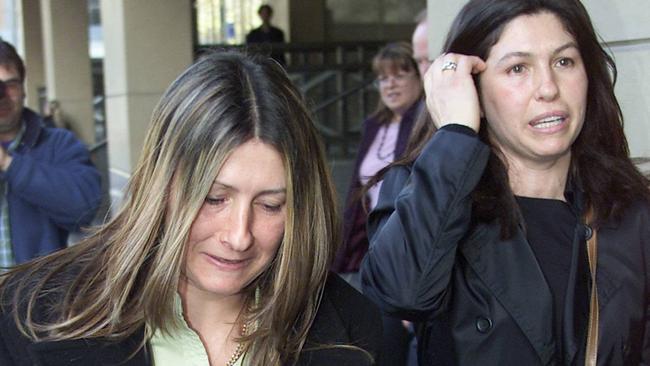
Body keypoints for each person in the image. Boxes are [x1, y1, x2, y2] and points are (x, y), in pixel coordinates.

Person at [0, 51, 382, 365]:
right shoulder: (27, 312)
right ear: (161, 186)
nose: (238, 236)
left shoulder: (355, 330)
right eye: (213, 198)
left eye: (271, 205)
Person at [361, 0, 650, 365]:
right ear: (474, 89)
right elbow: (401, 293)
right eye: (517, 68)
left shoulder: (629, 209)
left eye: (564, 61)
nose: (548, 88)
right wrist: (455, 132)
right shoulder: (427, 194)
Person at [332, 42, 421, 366]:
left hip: (405, 253)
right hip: (372, 249)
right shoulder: (375, 125)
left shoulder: (425, 125)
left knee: (395, 340)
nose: (391, 84)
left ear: (418, 77)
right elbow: (359, 190)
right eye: (383, 78)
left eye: (400, 74)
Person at [0, 39, 101, 268]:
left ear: (24, 89)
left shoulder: (57, 144)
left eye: (11, 84)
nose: (3, 95)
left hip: (33, 299)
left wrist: (9, 164)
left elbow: (84, 210)